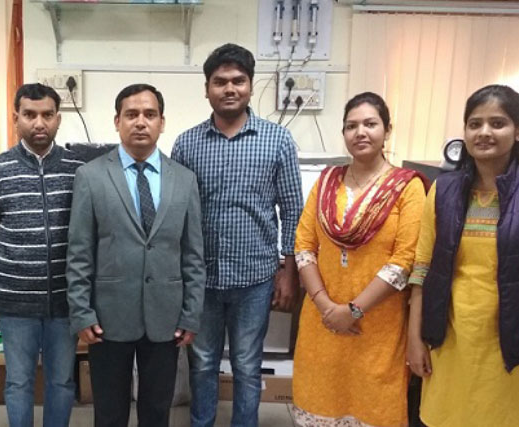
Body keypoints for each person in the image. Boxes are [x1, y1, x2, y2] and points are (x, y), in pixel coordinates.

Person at [171, 43, 303, 427]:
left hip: (255, 278)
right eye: (220, 81)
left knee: (247, 363)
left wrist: (288, 270)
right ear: (207, 89)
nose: (229, 88)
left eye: (238, 80)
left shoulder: (277, 140)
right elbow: (176, 214)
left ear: (250, 85)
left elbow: (292, 209)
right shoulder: (187, 144)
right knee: (202, 361)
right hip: (202, 278)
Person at [67, 83, 205, 427]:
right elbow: (79, 252)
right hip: (107, 316)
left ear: (162, 122)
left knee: (158, 410)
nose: (140, 122)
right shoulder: (90, 176)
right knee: (109, 412)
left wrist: (191, 314)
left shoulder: (184, 179)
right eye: (131, 114)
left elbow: (193, 254)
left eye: (149, 114)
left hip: (166, 316)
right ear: (117, 121)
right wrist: (81, 312)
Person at [292, 92, 426, 426]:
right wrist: (328, 308)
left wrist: (352, 311)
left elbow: (404, 260)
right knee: (320, 404)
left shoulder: (407, 187)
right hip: (322, 323)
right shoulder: (326, 182)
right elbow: (304, 245)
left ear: (387, 130)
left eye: (370, 124)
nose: (360, 132)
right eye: (351, 126)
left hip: (377, 327)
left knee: (374, 407)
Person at [407, 84, 519, 427]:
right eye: (475, 124)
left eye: (497, 123)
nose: (484, 132)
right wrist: (414, 339)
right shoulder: (443, 190)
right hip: (450, 338)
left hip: (510, 344)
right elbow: (422, 269)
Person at [0, 83, 83, 427]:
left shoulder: (78, 169)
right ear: (16, 118)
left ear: (58, 119)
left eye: (47, 115)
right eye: (30, 115)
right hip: (13, 301)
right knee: (18, 381)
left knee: (62, 381)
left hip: (65, 301)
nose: (39, 123)